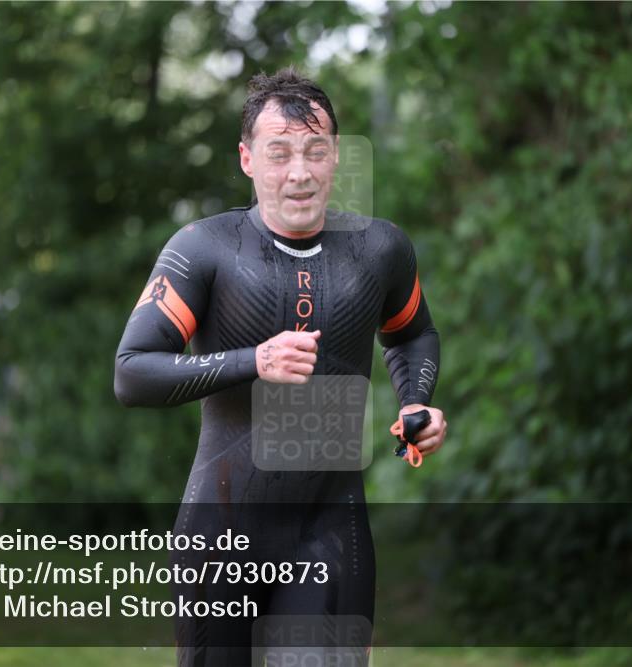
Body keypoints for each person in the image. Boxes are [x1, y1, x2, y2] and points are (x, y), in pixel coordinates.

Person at [115, 67, 446, 667]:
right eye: (279, 153)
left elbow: (413, 334)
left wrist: (414, 401)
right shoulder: (204, 248)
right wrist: (254, 360)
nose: (299, 172)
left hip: (331, 535)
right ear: (247, 159)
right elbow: (133, 371)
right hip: (221, 533)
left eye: (315, 152)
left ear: (335, 157)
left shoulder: (380, 250)